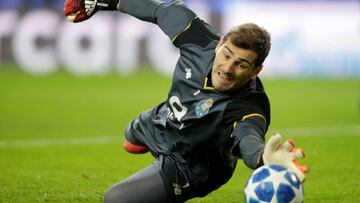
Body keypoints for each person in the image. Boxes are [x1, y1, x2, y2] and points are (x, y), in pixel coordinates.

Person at [64, 0, 309, 202]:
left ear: (256, 71)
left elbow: (250, 139)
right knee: (129, 141)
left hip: (190, 166)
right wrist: (106, 3)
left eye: (241, 64)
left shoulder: (250, 107)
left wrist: (263, 159)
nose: (227, 67)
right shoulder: (198, 38)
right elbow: (158, 10)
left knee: (115, 199)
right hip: (163, 121)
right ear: (219, 44)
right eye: (226, 55)